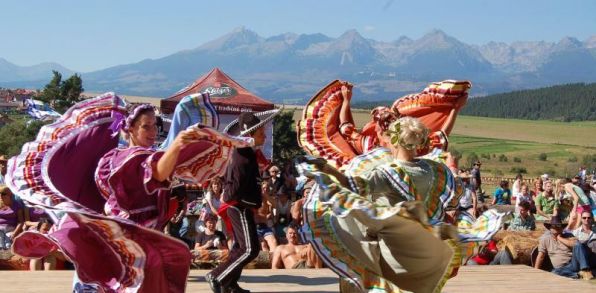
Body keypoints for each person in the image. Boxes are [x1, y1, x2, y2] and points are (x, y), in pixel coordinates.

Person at [7, 93, 244, 292]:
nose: (152, 132)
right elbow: (156, 173)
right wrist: (179, 143)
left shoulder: (136, 156)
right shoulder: (123, 159)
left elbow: (162, 170)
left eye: (155, 126)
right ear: (129, 128)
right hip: (120, 241)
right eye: (146, 126)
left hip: (134, 242)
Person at [297, 116, 507, 293]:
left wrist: (327, 169)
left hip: (395, 248)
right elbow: (455, 195)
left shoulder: (388, 173)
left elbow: (353, 185)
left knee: (385, 283)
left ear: (395, 141)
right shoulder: (436, 169)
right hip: (425, 244)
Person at [207, 110, 279, 293]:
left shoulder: (246, 153)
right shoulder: (243, 155)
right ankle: (218, 276)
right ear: (250, 135)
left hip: (241, 205)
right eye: (261, 132)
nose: (264, 135)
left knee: (240, 247)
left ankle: (229, 283)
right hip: (238, 206)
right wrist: (251, 203)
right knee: (249, 249)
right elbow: (236, 187)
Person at [0, 185, 24, 250]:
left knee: (8, 245)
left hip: (10, 228)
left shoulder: (17, 205)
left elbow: (21, 222)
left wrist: (14, 233)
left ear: (10, 194)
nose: (1, 196)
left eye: (3, 194)